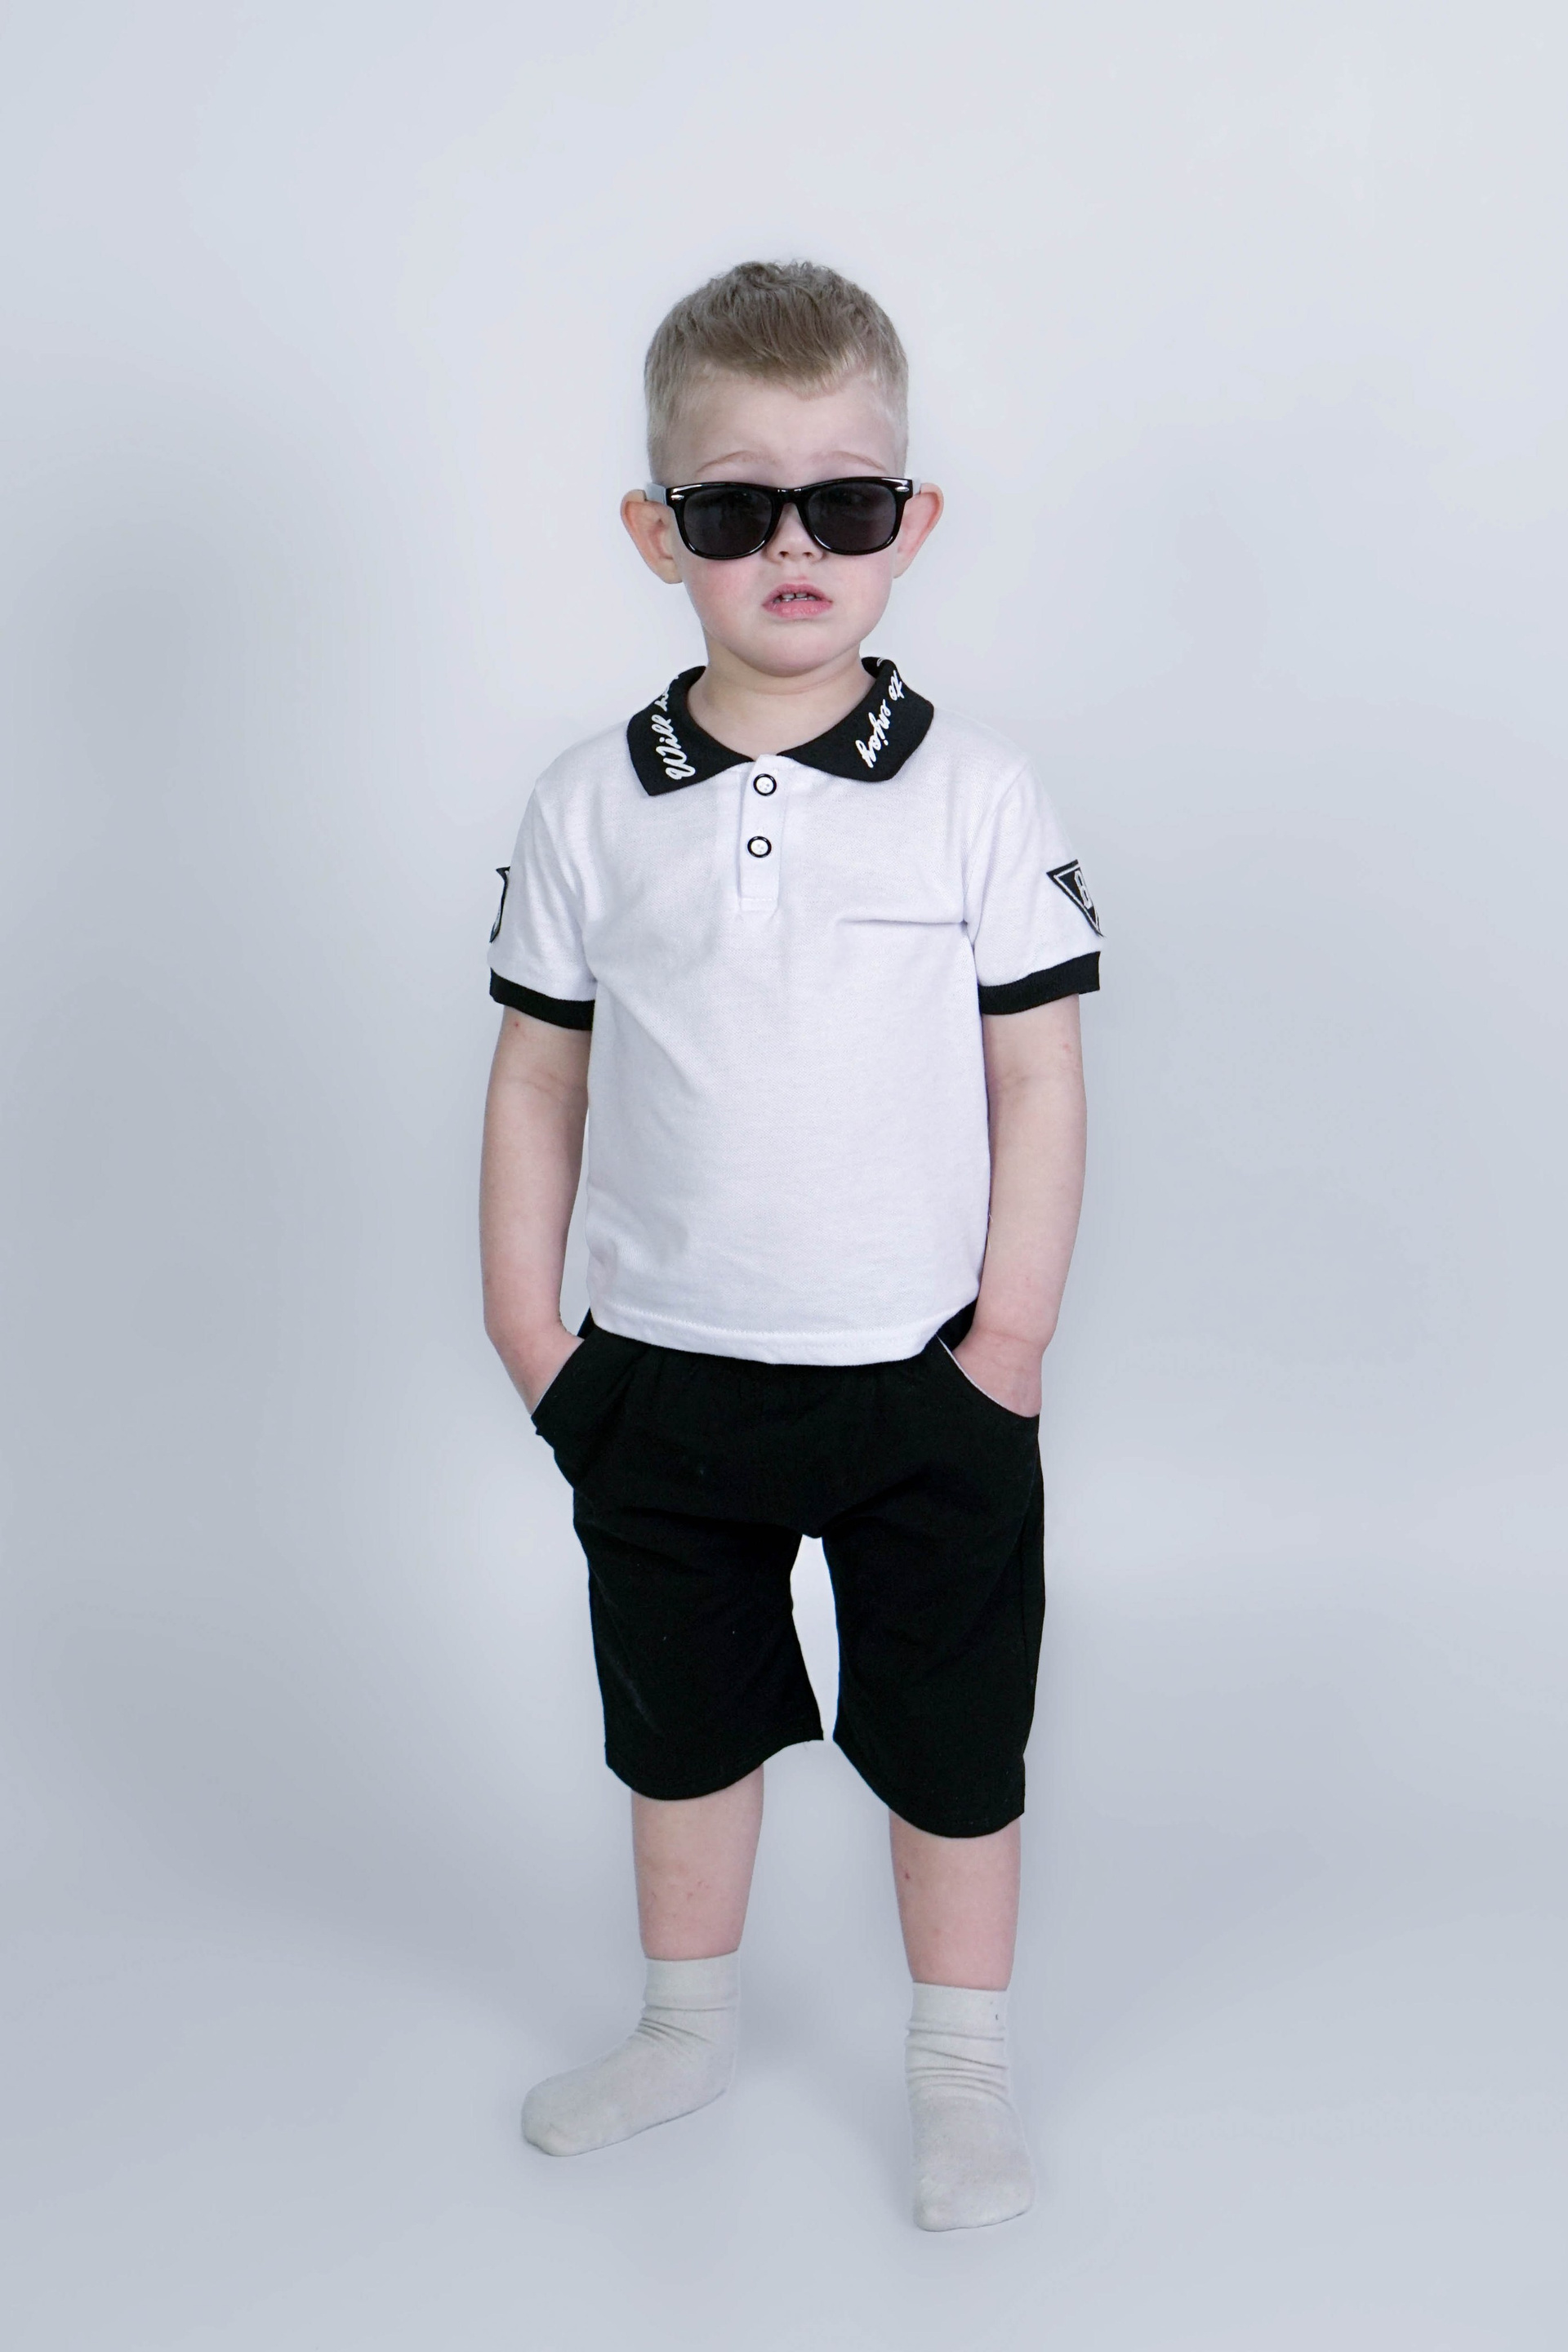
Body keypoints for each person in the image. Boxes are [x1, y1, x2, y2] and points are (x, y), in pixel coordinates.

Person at [479, 260, 1100, 2231]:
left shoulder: (977, 794)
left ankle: (962, 2067)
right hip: (661, 1374)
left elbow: (1038, 1077)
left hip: (925, 1378)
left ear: (912, 523)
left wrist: (1008, 1346)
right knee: (679, 1727)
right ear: (657, 531)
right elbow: (538, 1078)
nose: (794, 549)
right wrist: (531, 1336)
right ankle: (683, 2024)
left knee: (953, 1741)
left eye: (844, 502)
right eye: (738, 509)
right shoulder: (592, 806)